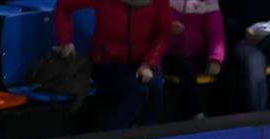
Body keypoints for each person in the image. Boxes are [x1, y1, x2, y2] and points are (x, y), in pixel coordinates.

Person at [54, 0, 171, 129]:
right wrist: (65, 41)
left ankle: (147, 135)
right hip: (107, 61)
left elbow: (162, 34)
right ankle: (111, 135)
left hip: (144, 59)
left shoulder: (159, 2)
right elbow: (63, 6)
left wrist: (149, 63)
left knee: (156, 89)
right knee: (138, 91)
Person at [163, 0, 225, 120]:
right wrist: (167, 28)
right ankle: (197, 116)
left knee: (228, 71)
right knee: (186, 69)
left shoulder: (209, 2)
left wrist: (216, 58)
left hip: (195, 52)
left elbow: (215, 31)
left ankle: (225, 118)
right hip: (167, 53)